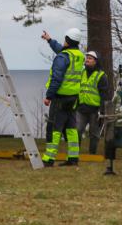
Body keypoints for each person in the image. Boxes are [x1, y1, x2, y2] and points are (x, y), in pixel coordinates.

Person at [40, 28, 85, 167]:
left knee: (54, 128)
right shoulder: (78, 55)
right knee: (71, 128)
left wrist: (49, 96)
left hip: (60, 98)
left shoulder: (63, 57)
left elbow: (56, 78)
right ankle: (73, 158)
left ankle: (49, 159)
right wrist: (49, 40)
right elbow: (61, 50)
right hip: (73, 98)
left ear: (68, 40)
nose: (64, 41)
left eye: (65, 39)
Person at [77, 50, 109, 155]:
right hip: (81, 108)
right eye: (87, 58)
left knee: (94, 134)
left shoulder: (101, 76)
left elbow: (104, 95)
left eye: (90, 58)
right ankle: (74, 152)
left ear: (96, 61)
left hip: (95, 110)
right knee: (77, 130)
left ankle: (92, 154)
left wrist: (102, 111)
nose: (87, 60)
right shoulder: (81, 73)